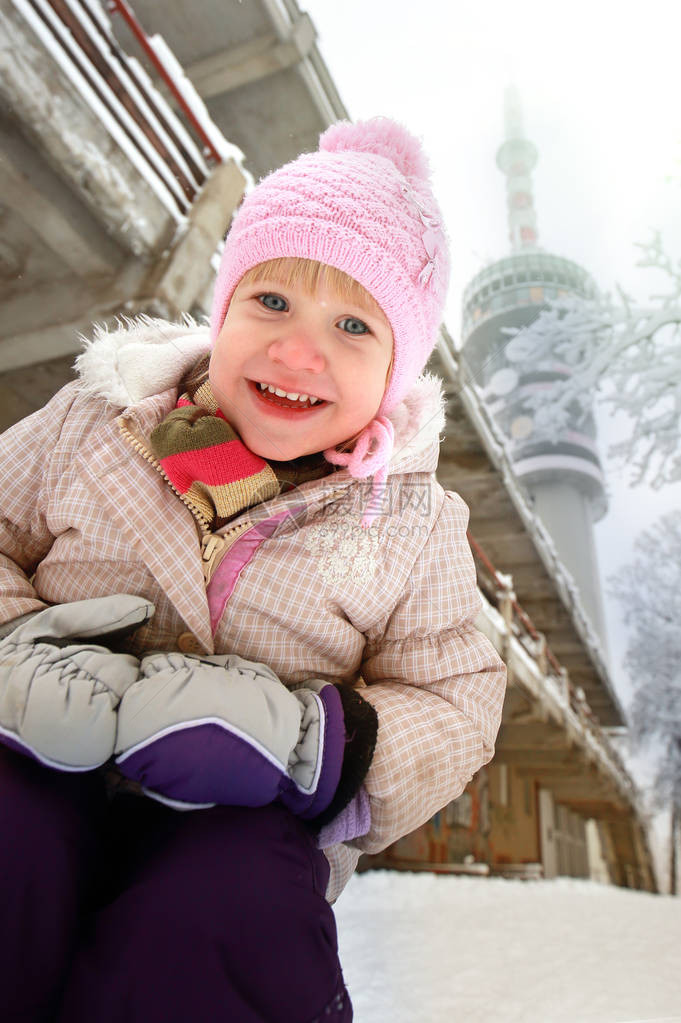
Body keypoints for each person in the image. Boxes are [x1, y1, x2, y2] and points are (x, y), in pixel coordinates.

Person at [0, 117, 506, 1022]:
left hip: (239, 821)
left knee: (227, 910)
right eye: (270, 302)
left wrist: (313, 743)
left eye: (353, 324)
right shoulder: (97, 421)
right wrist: (11, 649)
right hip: (33, 761)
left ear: (396, 372)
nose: (298, 350)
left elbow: (457, 696)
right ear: (222, 307)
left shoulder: (409, 523)